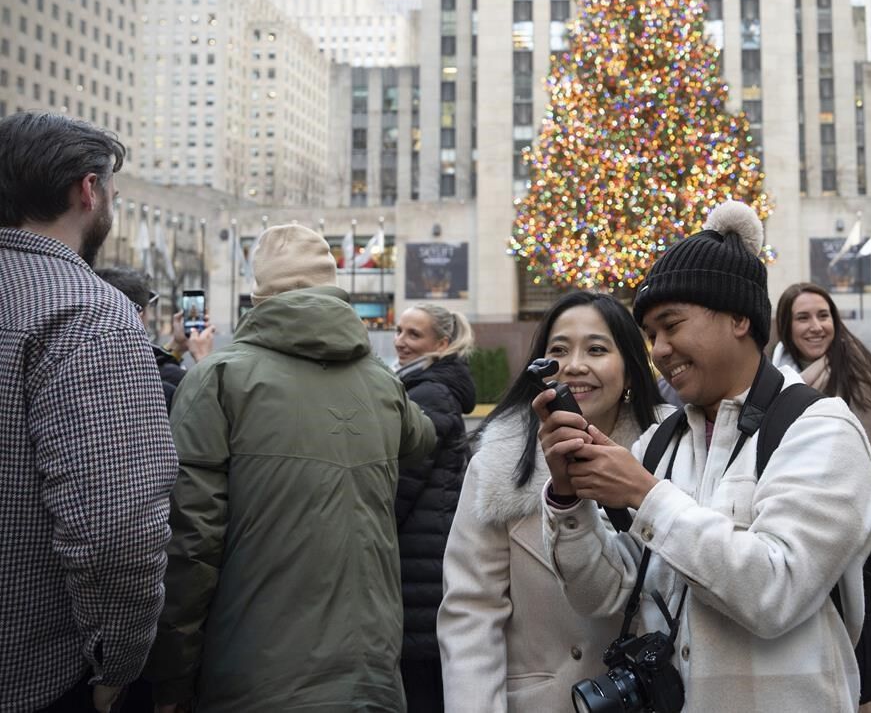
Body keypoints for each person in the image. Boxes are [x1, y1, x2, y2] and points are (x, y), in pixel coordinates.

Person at [538, 201, 871, 711]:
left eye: (671, 325)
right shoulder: (661, 442)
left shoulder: (819, 428)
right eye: (651, 335)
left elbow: (777, 591)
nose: (658, 349)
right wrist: (569, 502)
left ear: (740, 318)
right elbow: (604, 597)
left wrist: (646, 495)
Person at [145, 224, 436, 712]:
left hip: (253, 678)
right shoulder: (381, 384)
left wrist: (172, 680)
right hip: (373, 675)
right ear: (331, 285)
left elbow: (190, 544)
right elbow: (421, 437)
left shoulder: (217, 379)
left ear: (259, 293)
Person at [0, 112, 178, 712]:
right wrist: (116, 668)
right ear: (88, 190)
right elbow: (117, 527)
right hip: (34, 677)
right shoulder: (89, 314)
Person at [438, 291, 667, 711]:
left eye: (597, 349)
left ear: (631, 370)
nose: (575, 365)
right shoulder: (499, 464)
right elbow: (472, 610)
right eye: (559, 350)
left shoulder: (671, 456)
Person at [773, 282, 871, 712]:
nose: (815, 326)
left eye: (823, 315)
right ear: (785, 327)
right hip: (809, 559)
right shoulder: (773, 389)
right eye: (803, 317)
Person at [393, 303, 477, 713]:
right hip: (423, 552)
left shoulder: (429, 392)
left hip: (418, 558)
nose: (401, 341)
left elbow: (402, 486)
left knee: (421, 682)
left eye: (414, 334)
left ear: (441, 343)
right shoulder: (420, 386)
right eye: (399, 330)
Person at [95, 266, 217, 410]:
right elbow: (210, 415)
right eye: (150, 309)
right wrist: (203, 359)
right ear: (137, 317)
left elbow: (155, 364)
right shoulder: (163, 391)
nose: (152, 317)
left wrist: (177, 346)